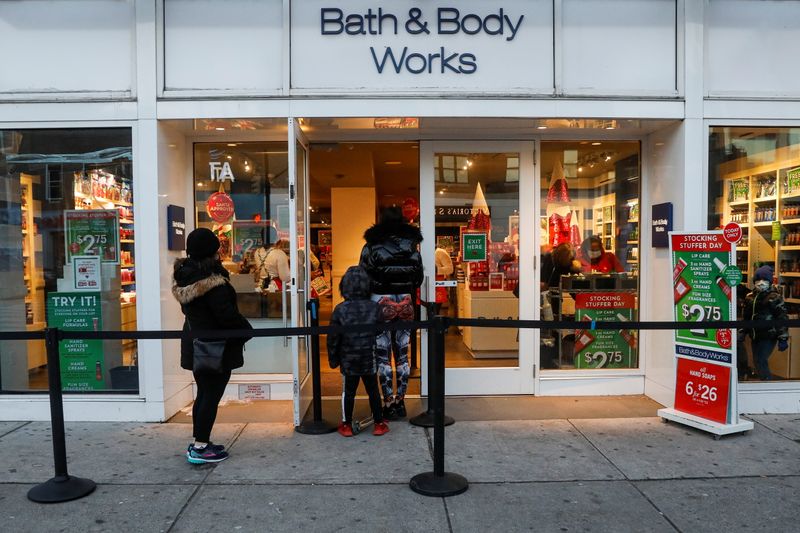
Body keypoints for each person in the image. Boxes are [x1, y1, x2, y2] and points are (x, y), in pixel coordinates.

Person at [173, 228, 253, 464]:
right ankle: (199, 447)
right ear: (212, 251)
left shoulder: (185, 276)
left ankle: (201, 441)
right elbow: (226, 315)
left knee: (204, 394)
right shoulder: (213, 283)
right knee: (210, 395)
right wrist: (246, 329)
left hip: (197, 344)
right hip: (214, 348)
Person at [359, 206, 424, 420]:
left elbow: (363, 275)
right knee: (403, 355)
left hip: (380, 301)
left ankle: (387, 402)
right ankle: (401, 402)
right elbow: (419, 277)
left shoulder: (372, 245)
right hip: (405, 300)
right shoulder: (412, 246)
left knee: (383, 355)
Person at [327, 266, 390, 437]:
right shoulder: (374, 307)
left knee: (349, 392)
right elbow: (379, 331)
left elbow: (333, 338)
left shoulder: (340, 309)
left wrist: (333, 360)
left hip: (348, 358)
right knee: (373, 390)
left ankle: (346, 424)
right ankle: (378, 423)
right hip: (369, 356)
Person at [740, 265, 789, 380]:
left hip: (768, 335)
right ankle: (764, 381)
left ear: (769, 281)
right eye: (758, 280)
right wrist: (742, 332)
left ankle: (767, 383)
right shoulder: (750, 297)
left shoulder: (775, 297)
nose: (761, 283)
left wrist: (783, 338)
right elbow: (746, 317)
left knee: (760, 359)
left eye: (764, 280)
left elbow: (782, 317)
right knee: (757, 361)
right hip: (755, 335)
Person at [252, 227, 291, 292]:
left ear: (262, 238)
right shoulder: (279, 254)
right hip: (274, 289)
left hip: (260, 287)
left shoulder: (257, 252)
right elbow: (285, 278)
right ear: (276, 238)